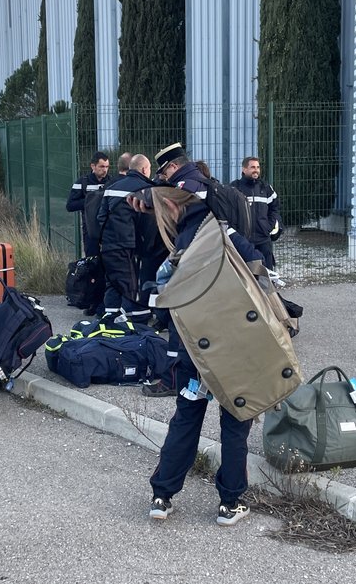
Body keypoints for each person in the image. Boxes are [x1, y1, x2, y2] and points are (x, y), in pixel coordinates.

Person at [143, 143, 263, 527]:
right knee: (234, 421)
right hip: (232, 348)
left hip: (193, 350)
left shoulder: (183, 240)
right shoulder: (222, 231)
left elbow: (162, 302)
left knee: (186, 418)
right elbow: (261, 275)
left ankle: (162, 496)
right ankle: (230, 503)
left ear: (177, 200)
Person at [96, 154, 154, 324]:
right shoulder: (147, 189)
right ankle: (136, 323)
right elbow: (149, 222)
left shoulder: (112, 187)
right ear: (144, 169)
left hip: (110, 243)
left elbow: (101, 217)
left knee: (113, 282)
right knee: (132, 284)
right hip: (131, 245)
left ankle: (109, 320)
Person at [229, 156, 282, 270]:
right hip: (243, 241)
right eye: (252, 167)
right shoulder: (234, 188)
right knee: (245, 273)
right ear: (244, 169)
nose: (256, 170)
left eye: (258, 167)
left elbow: (275, 209)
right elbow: (228, 212)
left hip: (263, 239)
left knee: (267, 274)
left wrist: (268, 227)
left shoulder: (266, 188)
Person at [66, 151, 110, 257]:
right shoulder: (82, 182)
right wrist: (91, 201)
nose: (105, 170)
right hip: (90, 228)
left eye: (107, 166)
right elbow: (70, 205)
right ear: (93, 166)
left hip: (107, 227)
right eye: (102, 166)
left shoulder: (111, 182)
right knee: (91, 259)